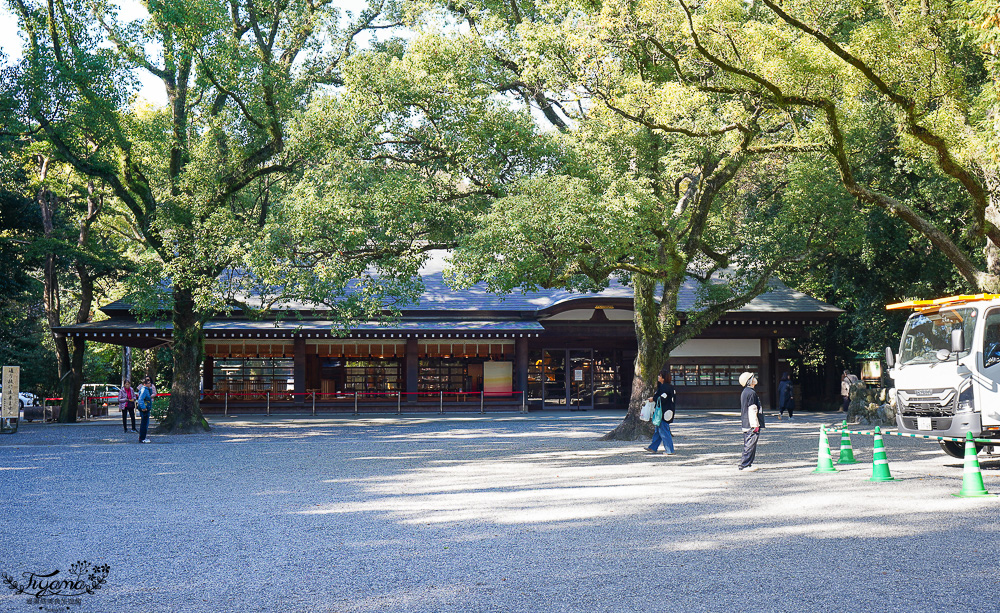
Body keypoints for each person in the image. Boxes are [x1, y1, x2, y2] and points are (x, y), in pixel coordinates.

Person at [645, 370, 677, 455]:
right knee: (658, 430)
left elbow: (662, 398)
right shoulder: (670, 387)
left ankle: (670, 450)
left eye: (660, 376)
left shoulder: (664, 387)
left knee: (664, 431)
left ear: (663, 378)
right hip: (668, 411)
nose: (658, 377)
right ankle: (653, 447)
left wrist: (653, 399)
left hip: (663, 412)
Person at [738, 372, 764, 471]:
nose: (755, 378)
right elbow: (752, 409)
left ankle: (748, 464)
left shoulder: (746, 391)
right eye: (753, 377)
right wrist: (755, 424)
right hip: (751, 423)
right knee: (750, 444)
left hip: (746, 422)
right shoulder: (751, 392)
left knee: (750, 443)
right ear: (749, 381)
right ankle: (745, 465)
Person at [136, 379, 152, 443]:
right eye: (148, 383)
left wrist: (150, 388)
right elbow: (140, 399)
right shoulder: (144, 390)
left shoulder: (146, 389)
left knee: (145, 423)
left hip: (146, 408)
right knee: (144, 424)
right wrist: (143, 407)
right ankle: (142, 438)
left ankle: (143, 437)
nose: (150, 384)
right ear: (145, 384)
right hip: (144, 409)